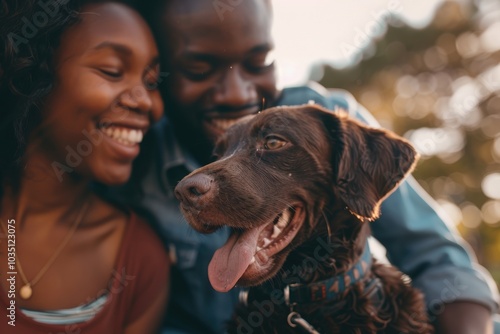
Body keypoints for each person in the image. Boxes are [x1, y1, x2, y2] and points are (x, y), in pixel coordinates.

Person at [120, 0, 499, 333]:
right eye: (200, 68)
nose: (237, 93)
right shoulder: (132, 156)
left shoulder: (331, 125)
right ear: (159, 75)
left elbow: (439, 259)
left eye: (257, 62)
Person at [0, 1, 169, 333]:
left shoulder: (139, 263)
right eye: (111, 70)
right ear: (36, 75)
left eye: (151, 81)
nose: (146, 101)